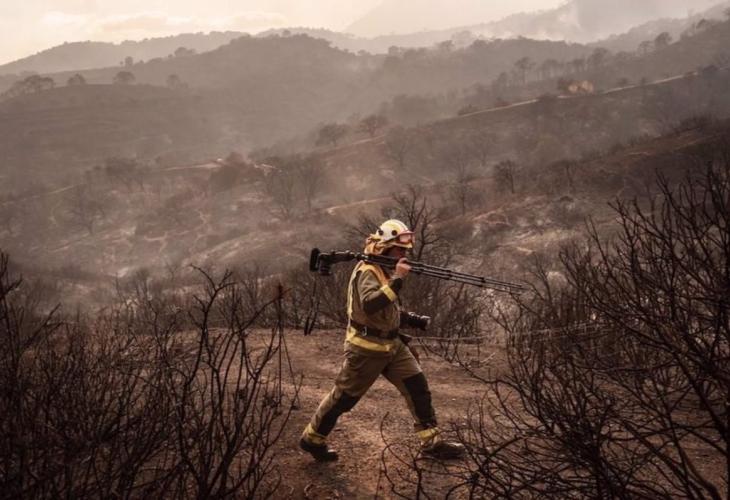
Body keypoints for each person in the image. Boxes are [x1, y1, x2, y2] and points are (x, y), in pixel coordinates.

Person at [300, 219, 465, 462]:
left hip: (392, 345)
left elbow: (386, 310)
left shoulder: (383, 269)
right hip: (366, 349)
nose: (404, 255)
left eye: (405, 250)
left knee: (417, 387)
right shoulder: (368, 271)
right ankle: (312, 439)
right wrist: (398, 279)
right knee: (344, 398)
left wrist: (411, 319)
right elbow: (370, 304)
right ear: (385, 247)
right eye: (399, 250)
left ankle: (432, 443)